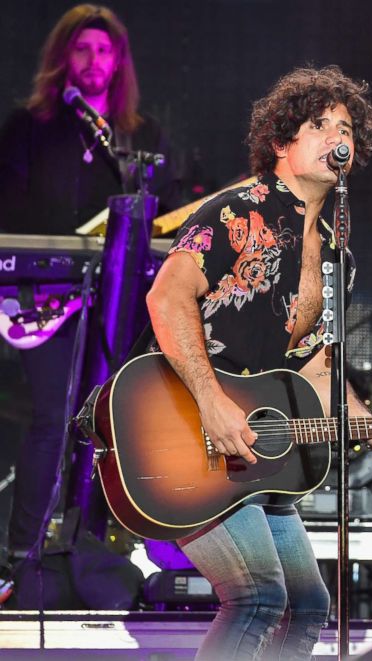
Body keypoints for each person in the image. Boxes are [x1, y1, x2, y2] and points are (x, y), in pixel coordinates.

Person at [145, 65, 372, 660]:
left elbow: (320, 367)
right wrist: (212, 401)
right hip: (180, 429)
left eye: (344, 126)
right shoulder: (233, 213)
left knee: (307, 605)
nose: (335, 136)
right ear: (281, 140)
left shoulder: (340, 260)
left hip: (252, 461)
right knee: (258, 597)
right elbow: (166, 296)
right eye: (317, 124)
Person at [0, 4, 179, 567]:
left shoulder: (138, 137)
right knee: (54, 418)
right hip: (43, 299)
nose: (94, 61)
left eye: (104, 50)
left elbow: (163, 219)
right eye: (82, 48)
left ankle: (103, 552)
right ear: (62, 57)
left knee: (122, 419)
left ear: (119, 61)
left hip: (116, 303)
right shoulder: (29, 129)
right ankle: (20, 558)